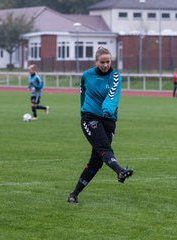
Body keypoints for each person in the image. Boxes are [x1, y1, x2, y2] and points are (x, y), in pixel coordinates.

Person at [67, 47, 133, 204]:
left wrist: (107, 110)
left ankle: (74, 194)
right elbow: (82, 94)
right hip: (90, 117)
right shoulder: (87, 75)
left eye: (108, 62)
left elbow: (112, 96)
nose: (105, 65)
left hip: (108, 119)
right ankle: (120, 170)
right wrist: (83, 111)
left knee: (96, 162)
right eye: (102, 62)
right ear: (96, 62)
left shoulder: (115, 76)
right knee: (104, 148)